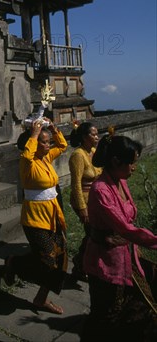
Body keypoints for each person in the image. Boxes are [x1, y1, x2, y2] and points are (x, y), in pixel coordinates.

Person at [81, 133, 157, 342]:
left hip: (126, 255)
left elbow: (128, 221)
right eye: (132, 163)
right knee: (106, 315)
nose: (134, 167)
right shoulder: (100, 190)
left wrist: (136, 246)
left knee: (139, 308)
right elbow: (125, 228)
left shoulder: (120, 182)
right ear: (116, 161)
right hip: (105, 262)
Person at [4, 118, 68, 314]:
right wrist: (33, 134)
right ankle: (14, 263)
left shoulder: (46, 158)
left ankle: (41, 298)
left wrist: (54, 130)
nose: (48, 145)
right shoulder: (28, 163)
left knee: (60, 258)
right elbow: (26, 154)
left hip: (53, 216)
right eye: (44, 142)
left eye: (49, 142)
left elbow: (63, 146)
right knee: (48, 259)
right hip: (35, 218)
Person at [68, 121, 101, 281]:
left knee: (93, 234)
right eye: (93, 134)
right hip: (83, 200)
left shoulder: (94, 151)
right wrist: (82, 208)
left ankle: (81, 263)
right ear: (84, 137)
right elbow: (75, 184)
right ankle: (80, 264)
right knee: (92, 233)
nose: (97, 137)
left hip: (95, 200)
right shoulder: (78, 155)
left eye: (97, 134)